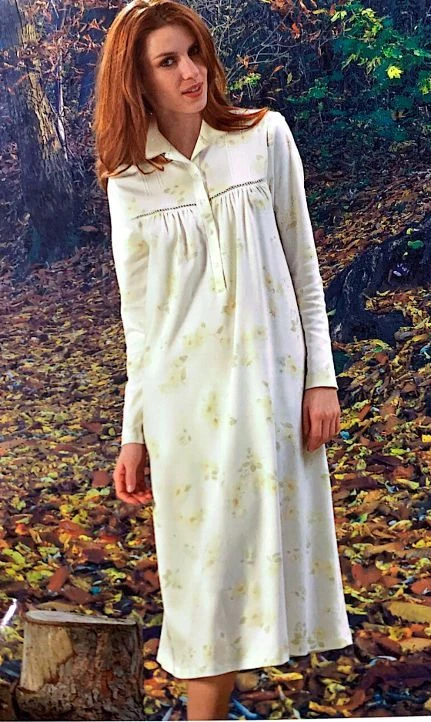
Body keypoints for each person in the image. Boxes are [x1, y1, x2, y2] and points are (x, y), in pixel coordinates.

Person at [93, 0, 353, 718]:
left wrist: (321, 379)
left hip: (271, 389)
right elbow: (141, 321)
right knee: (204, 580)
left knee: (266, 564)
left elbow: (303, 267)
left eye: (194, 53)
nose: (190, 72)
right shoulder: (129, 179)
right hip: (184, 409)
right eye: (167, 61)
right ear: (137, 81)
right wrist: (134, 431)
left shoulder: (264, 136)